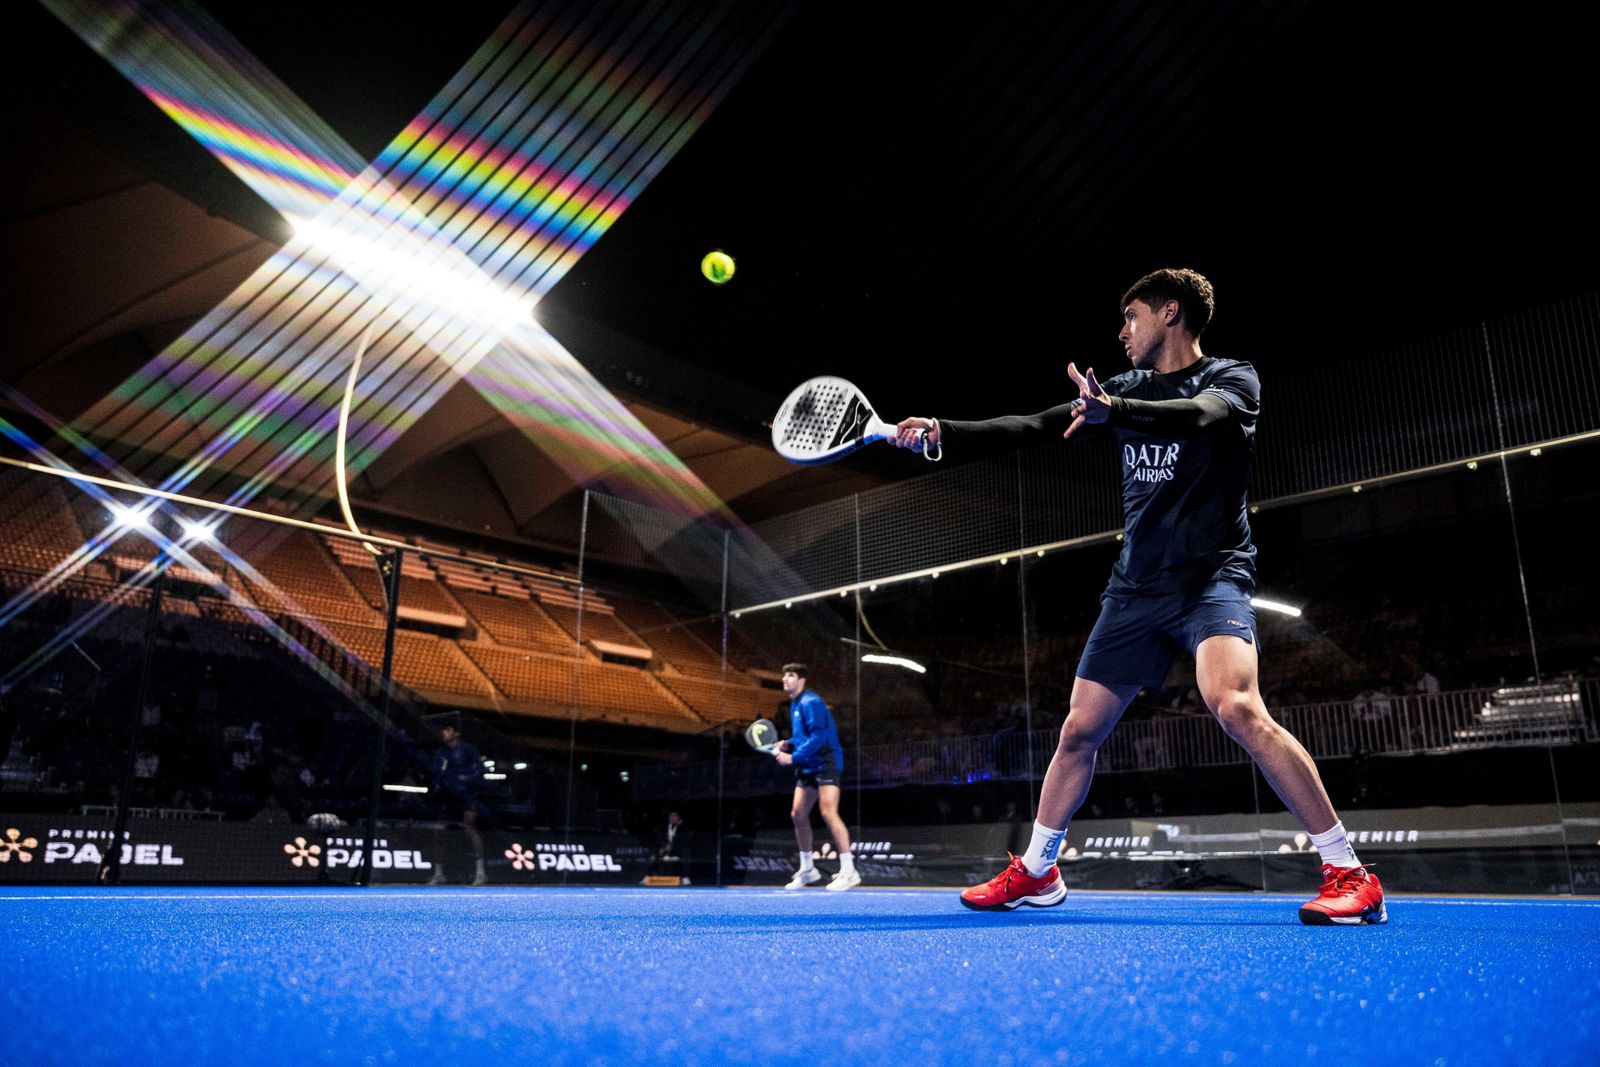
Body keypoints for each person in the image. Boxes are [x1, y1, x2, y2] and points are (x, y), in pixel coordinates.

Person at [891, 268, 1385, 925]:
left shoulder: (1233, 380)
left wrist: (1117, 411)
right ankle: (1038, 872)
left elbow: (1200, 417)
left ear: (1170, 313)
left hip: (1210, 579)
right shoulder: (1118, 388)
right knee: (1077, 731)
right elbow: (1033, 424)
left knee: (1234, 704)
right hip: (1135, 589)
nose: (1122, 332)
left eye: (1131, 317)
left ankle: (1350, 873)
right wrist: (944, 430)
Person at [772, 663, 859, 891]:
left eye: (790, 675)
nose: (785, 679)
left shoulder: (812, 702)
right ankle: (808, 870)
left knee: (828, 812)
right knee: (798, 814)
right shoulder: (795, 704)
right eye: (784, 676)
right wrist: (789, 743)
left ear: (801, 680)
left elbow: (820, 737)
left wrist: (793, 757)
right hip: (808, 764)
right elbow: (805, 735)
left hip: (825, 761)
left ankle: (849, 871)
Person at [429, 721, 487, 886]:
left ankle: (481, 873)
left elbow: (479, 771)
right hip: (447, 797)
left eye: (447, 730)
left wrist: (465, 779)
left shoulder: (468, 750)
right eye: (443, 730)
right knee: (439, 832)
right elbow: (436, 771)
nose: (444, 733)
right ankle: (439, 874)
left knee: (469, 827)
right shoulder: (441, 753)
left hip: (466, 796)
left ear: (456, 733)